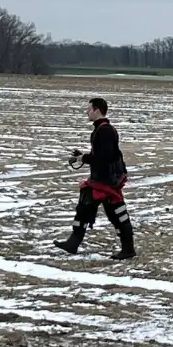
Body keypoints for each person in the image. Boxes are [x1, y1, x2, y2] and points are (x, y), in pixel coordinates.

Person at [53, 97, 137, 260]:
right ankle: (73, 243)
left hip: (106, 182)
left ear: (97, 110)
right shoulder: (102, 129)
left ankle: (128, 249)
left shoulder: (105, 131)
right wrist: (83, 157)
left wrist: (84, 159)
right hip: (101, 180)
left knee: (115, 214)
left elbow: (104, 157)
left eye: (89, 109)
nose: (87, 112)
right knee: (87, 210)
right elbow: (101, 155)